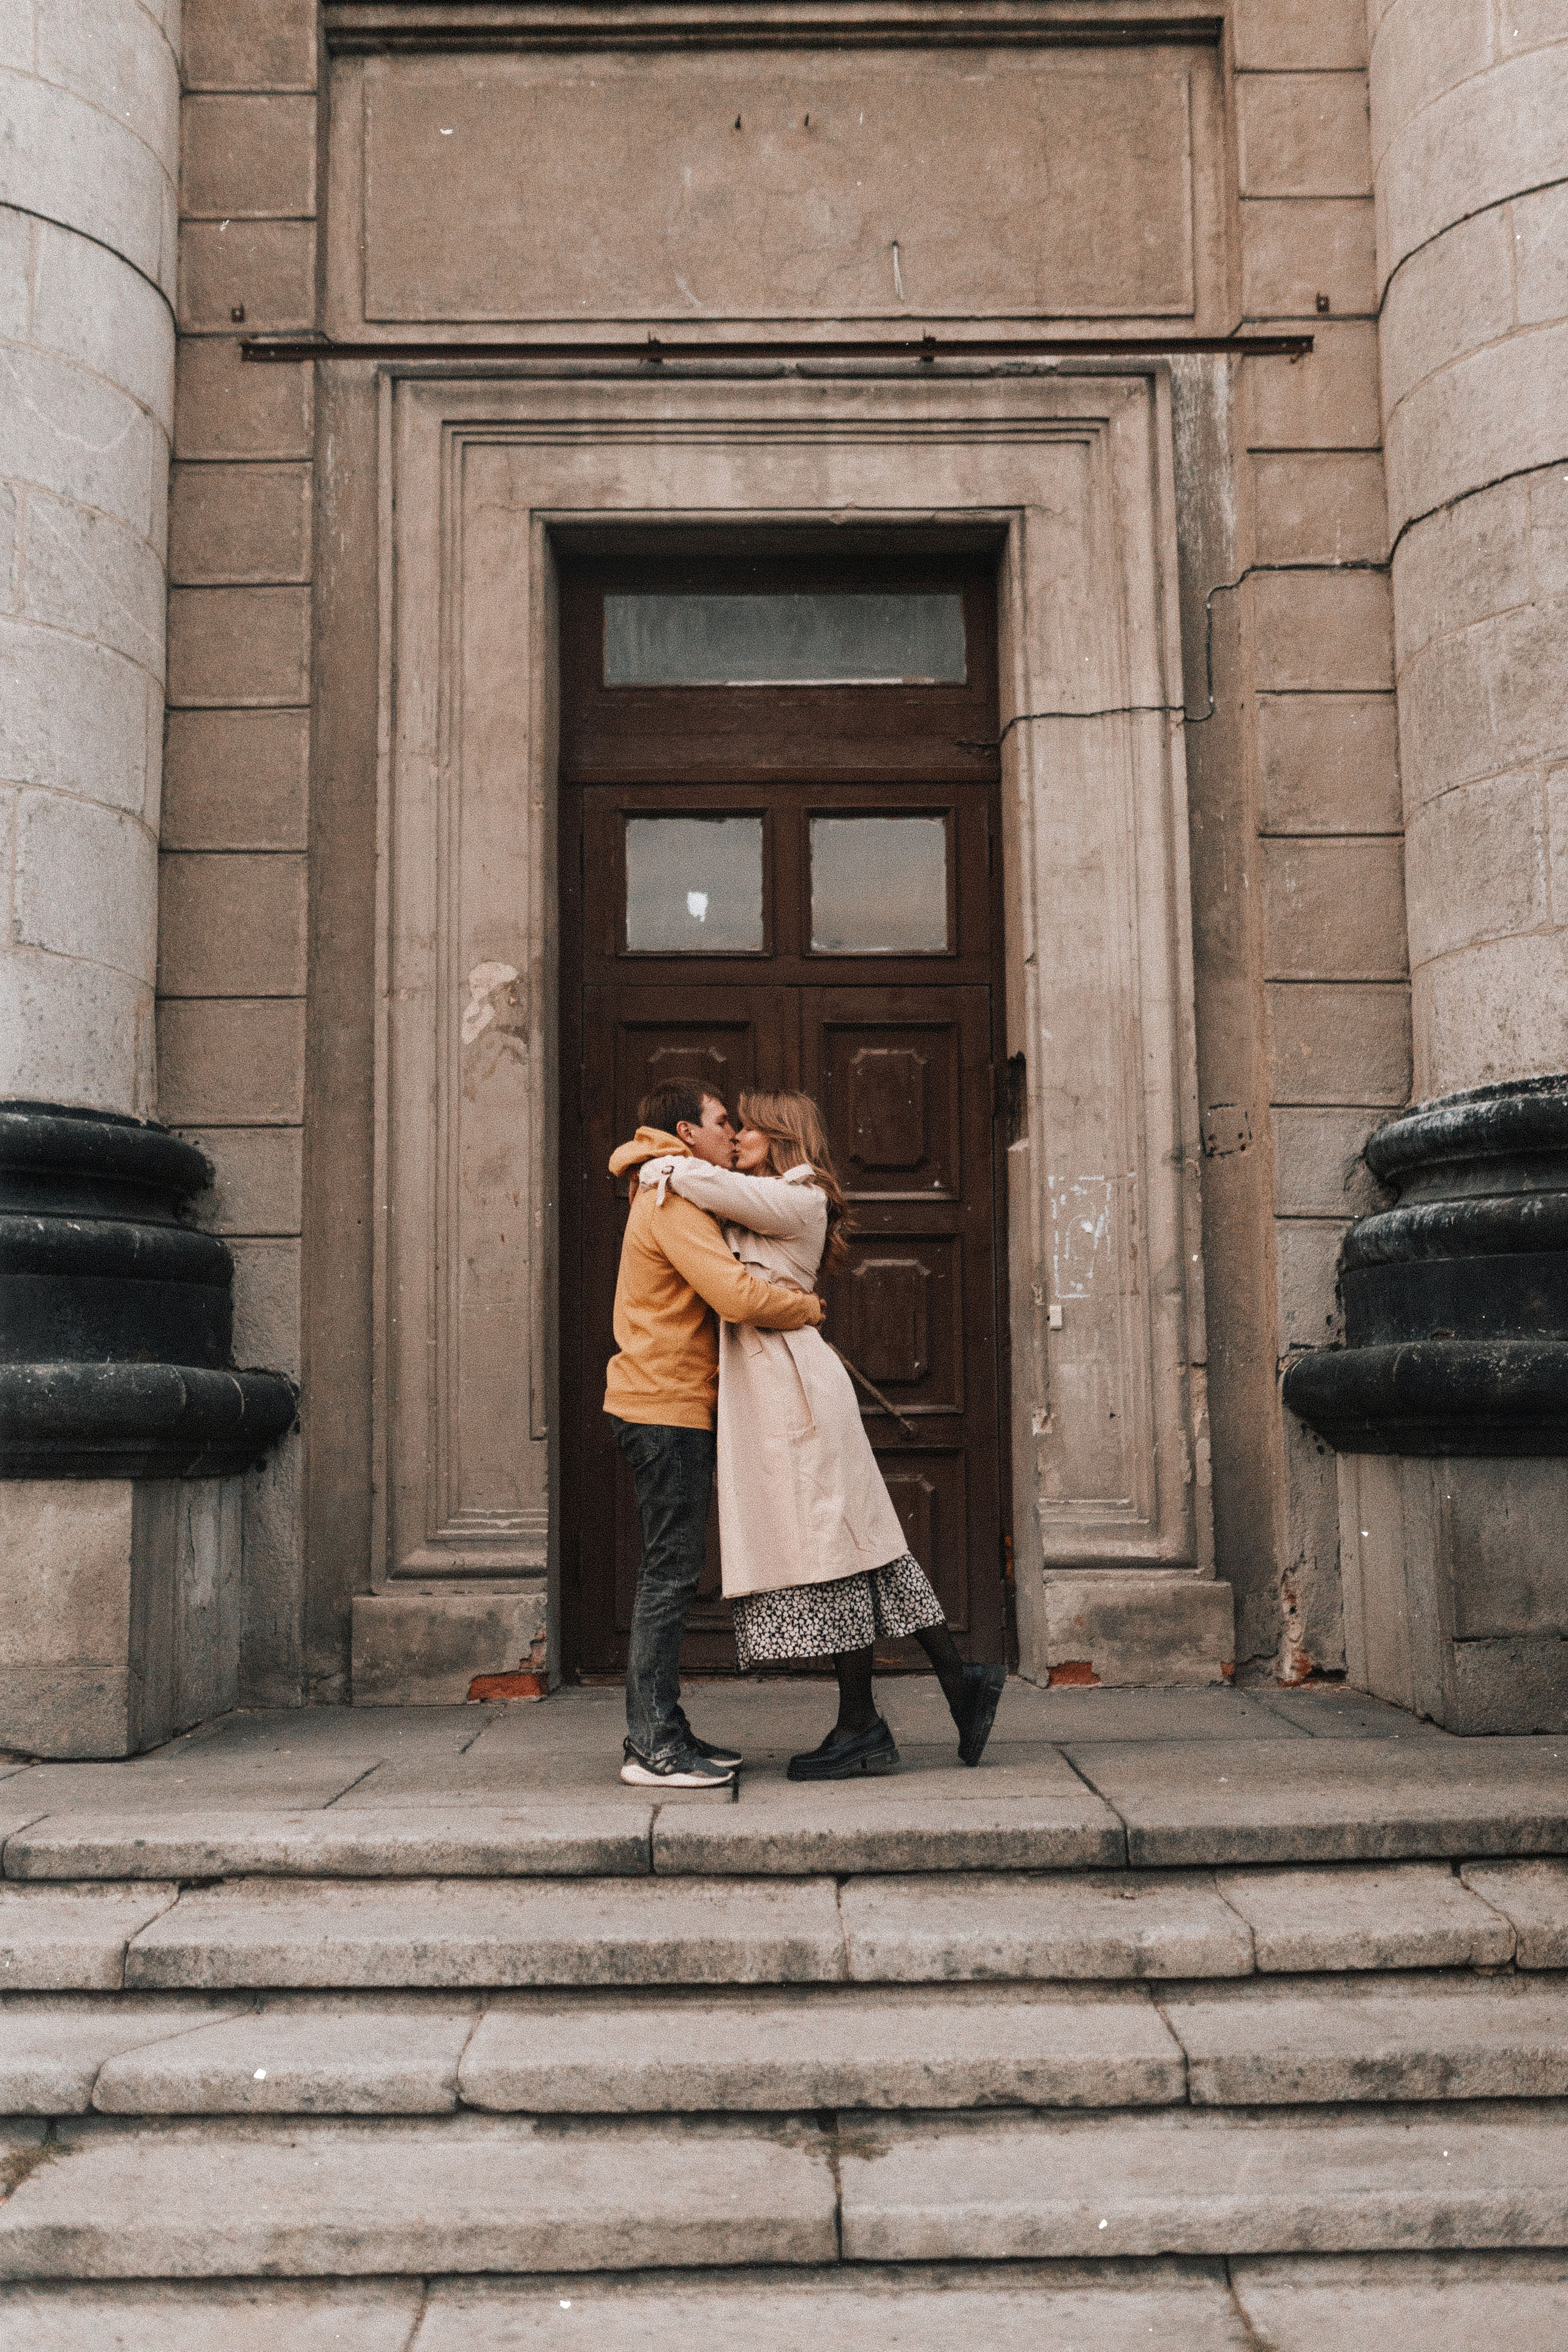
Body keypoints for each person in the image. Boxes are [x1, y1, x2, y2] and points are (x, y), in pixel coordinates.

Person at [638, 1088, 1006, 1780]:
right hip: (780, 1383)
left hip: (795, 1390)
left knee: (841, 1541)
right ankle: (947, 1684)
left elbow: (696, 1179)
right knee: (857, 1542)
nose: (740, 1135)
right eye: (734, 1124)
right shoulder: (766, 1194)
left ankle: (871, 1718)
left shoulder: (798, 1196)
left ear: (780, 1134)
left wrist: (656, 1162)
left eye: (749, 1126)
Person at [605, 1079, 827, 1788]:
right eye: (720, 1121)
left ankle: (659, 1728)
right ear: (686, 1132)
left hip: (667, 1404)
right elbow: (733, 1293)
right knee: (668, 1576)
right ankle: (654, 1747)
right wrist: (805, 1306)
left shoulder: (673, 1186)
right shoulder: (670, 1196)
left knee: (668, 1572)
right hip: (664, 1406)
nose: (732, 1133)